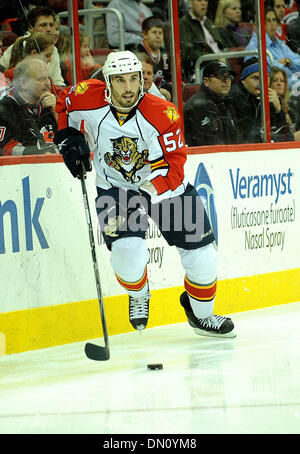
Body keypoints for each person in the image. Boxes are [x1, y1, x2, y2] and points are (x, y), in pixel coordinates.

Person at [53, 50, 236, 338]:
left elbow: (174, 167)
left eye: (134, 79)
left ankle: (202, 315)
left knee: (203, 258)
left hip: (166, 190)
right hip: (114, 187)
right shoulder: (84, 95)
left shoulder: (163, 113)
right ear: (107, 81)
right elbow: (63, 105)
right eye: (120, 80)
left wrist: (145, 195)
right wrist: (68, 137)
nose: (128, 88)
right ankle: (139, 293)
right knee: (127, 255)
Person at [0, 57, 58, 156]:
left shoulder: (51, 106)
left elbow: (73, 140)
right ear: (23, 83)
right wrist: (40, 155)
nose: (48, 83)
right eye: (41, 79)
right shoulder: (5, 109)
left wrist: (56, 112)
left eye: (48, 78)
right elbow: (4, 148)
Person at [230, 57, 294, 143]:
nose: (261, 82)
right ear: (243, 80)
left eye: (265, 77)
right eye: (256, 78)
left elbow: (288, 136)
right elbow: (251, 137)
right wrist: (275, 138)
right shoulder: (236, 97)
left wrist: (278, 109)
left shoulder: (268, 97)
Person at [0, 6, 65, 87]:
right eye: (43, 25)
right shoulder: (24, 45)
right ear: (30, 27)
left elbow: (58, 82)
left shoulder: (53, 49)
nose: (49, 29)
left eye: (51, 25)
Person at [184, 60, 239, 146]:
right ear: (206, 81)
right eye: (221, 76)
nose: (226, 81)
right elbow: (206, 143)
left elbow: (236, 138)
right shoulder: (197, 106)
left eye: (228, 77)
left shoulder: (226, 103)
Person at [245, 7, 300, 90]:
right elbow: (264, 71)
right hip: (275, 86)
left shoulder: (279, 43)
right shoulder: (254, 46)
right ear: (261, 24)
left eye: (274, 20)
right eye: (268, 20)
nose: (272, 24)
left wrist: (288, 61)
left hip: (290, 82)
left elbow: (297, 61)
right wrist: (280, 63)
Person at [179, 0, 226, 82]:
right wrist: (214, 58)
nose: (204, 3)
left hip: (220, 62)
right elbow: (187, 53)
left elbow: (221, 45)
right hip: (201, 67)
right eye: (199, 0)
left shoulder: (208, 22)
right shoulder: (184, 23)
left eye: (205, 0)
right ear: (190, 3)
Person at [135, 16, 171, 91]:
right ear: (144, 34)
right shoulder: (136, 53)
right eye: (154, 32)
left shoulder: (166, 55)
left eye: (160, 33)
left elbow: (171, 79)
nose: (158, 36)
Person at [269, 65, 300, 140]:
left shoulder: (290, 106)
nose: (279, 83)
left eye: (282, 81)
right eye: (275, 80)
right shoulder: (266, 107)